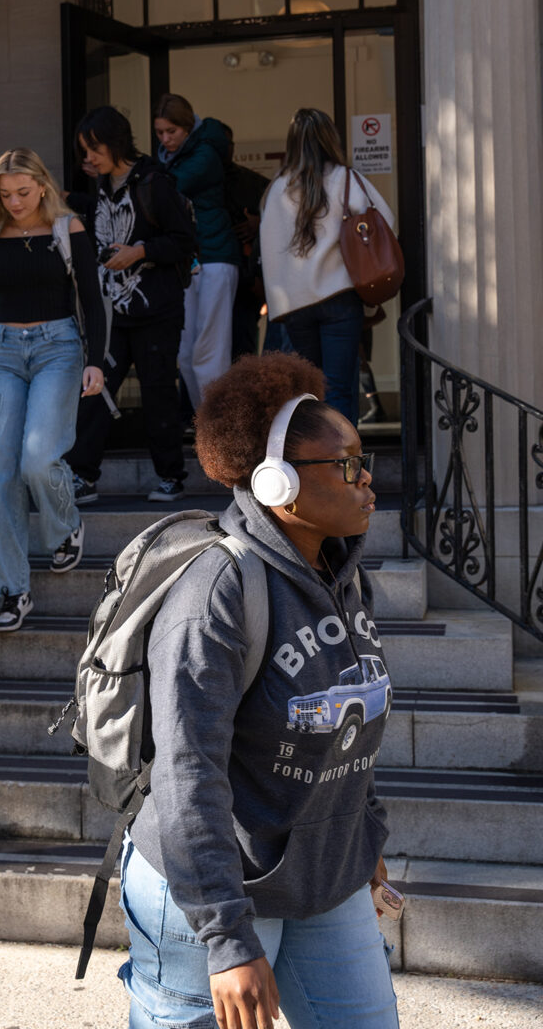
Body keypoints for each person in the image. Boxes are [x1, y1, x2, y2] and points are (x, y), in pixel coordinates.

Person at [119, 350, 398, 1029]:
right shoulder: (216, 591)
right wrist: (226, 939)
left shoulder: (341, 577)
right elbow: (187, 773)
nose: (368, 481)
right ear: (276, 483)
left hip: (321, 876)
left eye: (365, 462)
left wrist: (362, 841)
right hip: (214, 887)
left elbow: (347, 718)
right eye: (348, 464)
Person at [0, 148, 105, 634]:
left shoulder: (68, 230)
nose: (15, 202)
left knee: (37, 457)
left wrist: (96, 362)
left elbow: (92, 299)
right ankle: (12, 588)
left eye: (23, 193)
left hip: (58, 348)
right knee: (4, 473)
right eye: (5, 195)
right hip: (3, 351)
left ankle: (65, 526)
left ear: (42, 186)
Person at [65, 106, 197, 504]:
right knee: (96, 388)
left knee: (158, 391)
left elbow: (184, 241)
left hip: (156, 309)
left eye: (93, 149)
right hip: (113, 311)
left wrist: (140, 251)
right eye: (83, 151)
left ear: (115, 143)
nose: (88, 158)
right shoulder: (104, 185)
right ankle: (82, 474)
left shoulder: (154, 183)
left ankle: (171, 476)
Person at [259, 108, 396, 424]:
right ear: (329, 139)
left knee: (306, 394)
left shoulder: (277, 188)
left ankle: (314, 467)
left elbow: (269, 248)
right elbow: (386, 223)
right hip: (339, 298)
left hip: (294, 305)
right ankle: (343, 467)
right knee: (338, 390)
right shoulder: (345, 179)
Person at [154, 93, 240, 407]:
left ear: (188, 127)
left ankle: (216, 431)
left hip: (215, 257)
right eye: (160, 133)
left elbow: (166, 190)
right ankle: (207, 424)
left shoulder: (204, 155)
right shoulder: (171, 159)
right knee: (187, 351)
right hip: (191, 260)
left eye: (171, 132)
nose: (165, 139)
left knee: (209, 351)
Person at [221, 124, 269, 359]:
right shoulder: (194, 182)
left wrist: (259, 223)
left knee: (243, 348)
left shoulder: (254, 183)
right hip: (208, 272)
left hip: (246, 279)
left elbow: (278, 222)